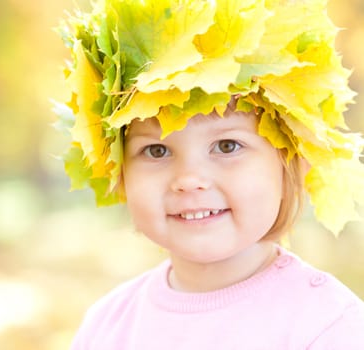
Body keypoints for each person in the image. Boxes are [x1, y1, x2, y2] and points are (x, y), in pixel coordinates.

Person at [54, 0, 364, 348]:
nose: (188, 179)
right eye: (157, 150)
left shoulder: (327, 326)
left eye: (227, 146)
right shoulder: (107, 326)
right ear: (119, 171)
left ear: (289, 160)